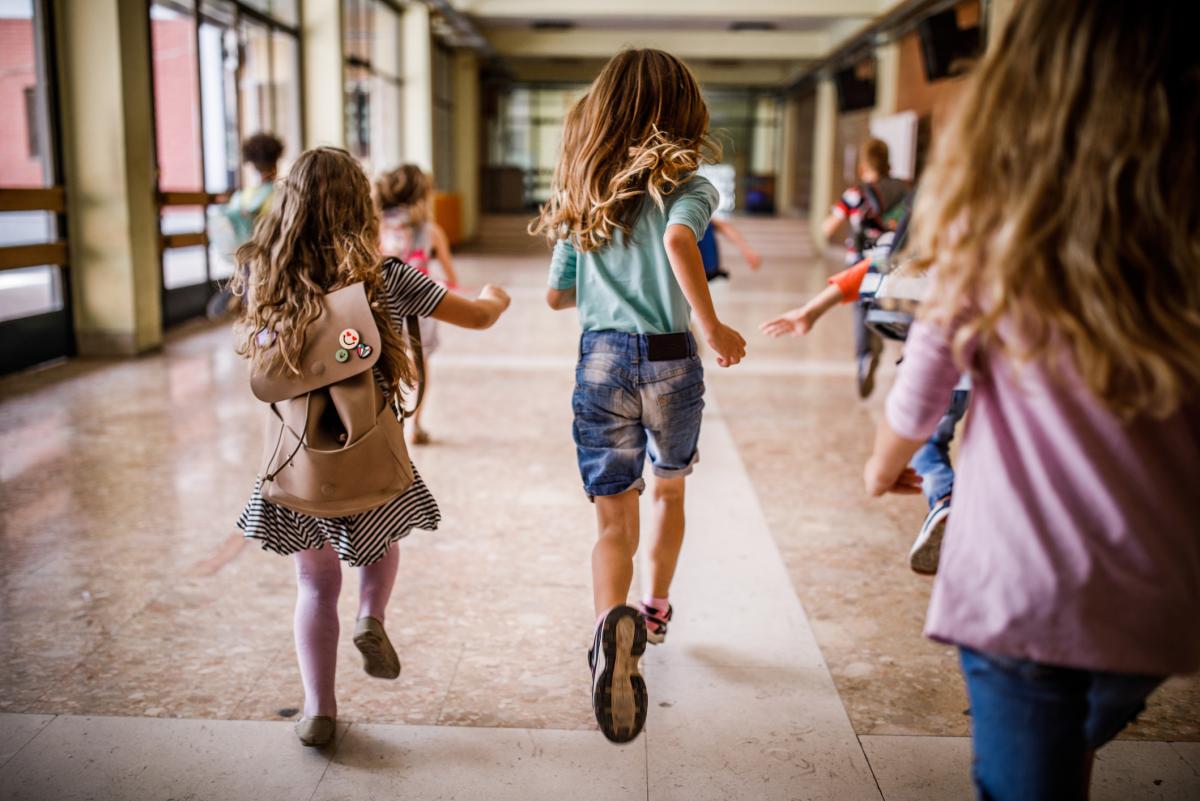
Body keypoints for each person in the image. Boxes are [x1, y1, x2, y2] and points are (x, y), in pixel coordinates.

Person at [863, 2, 1200, 798]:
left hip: (1021, 583)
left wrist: (882, 467)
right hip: (1161, 586)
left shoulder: (993, 234)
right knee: (1086, 721)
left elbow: (921, 387)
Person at [229, 147, 511, 748]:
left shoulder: (263, 279)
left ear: (287, 209)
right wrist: (496, 297)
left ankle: (318, 711)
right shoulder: (386, 278)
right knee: (381, 540)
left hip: (295, 463)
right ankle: (371, 617)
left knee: (313, 584)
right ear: (363, 207)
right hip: (370, 452)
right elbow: (478, 317)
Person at [531, 48, 746, 744]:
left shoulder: (583, 192)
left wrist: (600, 272)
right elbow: (682, 240)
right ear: (685, 112)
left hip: (600, 357)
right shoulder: (690, 184)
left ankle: (607, 628)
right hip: (671, 358)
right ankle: (652, 611)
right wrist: (713, 327)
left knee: (610, 518)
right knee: (670, 489)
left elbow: (558, 295)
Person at [762, 208, 965, 575]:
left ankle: (946, 501)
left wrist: (880, 470)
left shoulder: (937, 251)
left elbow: (869, 272)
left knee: (929, 446)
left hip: (946, 372)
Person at [376, 164, 461, 446]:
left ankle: (384, 422)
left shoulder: (375, 227)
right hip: (420, 311)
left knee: (382, 363)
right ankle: (415, 425)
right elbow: (450, 276)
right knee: (420, 368)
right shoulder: (431, 231)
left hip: (383, 309)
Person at [820, 138, 909, 398]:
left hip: (862, 261)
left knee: (862, 306)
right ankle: (908, 360)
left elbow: (827, 229)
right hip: (898, 262)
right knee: (902, 308)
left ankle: (865, 354)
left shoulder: (855, 194)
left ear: (863, 166)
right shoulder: (905, 189)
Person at [206, 132, 285, 319]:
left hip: (245, 259)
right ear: (275, 162)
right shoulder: (281, 193)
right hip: (273, 259)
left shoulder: (242, 196)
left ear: (252, 166)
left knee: (250, 299)